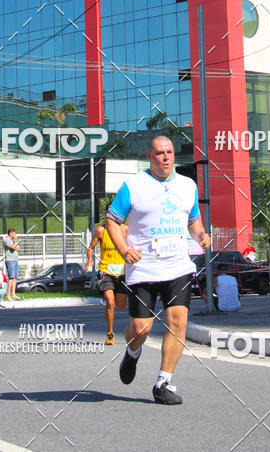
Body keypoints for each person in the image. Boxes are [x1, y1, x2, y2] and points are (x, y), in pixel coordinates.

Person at [106, 135, 210, 406]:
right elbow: (112, 221)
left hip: (178, 267)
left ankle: (163, 383)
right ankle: (132, 352)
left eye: (170, 152)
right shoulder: (133, 186)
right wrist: (124, 250)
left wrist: (200, 235)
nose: (166, 157)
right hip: (143, 269)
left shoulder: (187, 185)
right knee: (141, 329)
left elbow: (194, 220)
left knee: (178, 323)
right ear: (150, 157)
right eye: (160, 153)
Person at [85, 221, 129, 344]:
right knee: (110, 301)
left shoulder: (124, 229)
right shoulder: (101, 230)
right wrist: (89, 261)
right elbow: (91, 247)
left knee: (121, 305)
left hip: (122, 272)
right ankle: (110, 334)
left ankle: (116, 296)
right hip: (106, 271)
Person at [3, 227, 21, 301]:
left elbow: (19, 249)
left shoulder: (13, 241)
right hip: (10, 260)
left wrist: (15, 244)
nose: (15, 235)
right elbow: (12, 248)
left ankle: (13, 294)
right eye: (14, 233)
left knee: (15, 277)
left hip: (15, 260)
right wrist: (15, 242)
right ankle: (8, 295)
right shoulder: (6, 240)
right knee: (11, 277)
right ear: (10, 233)